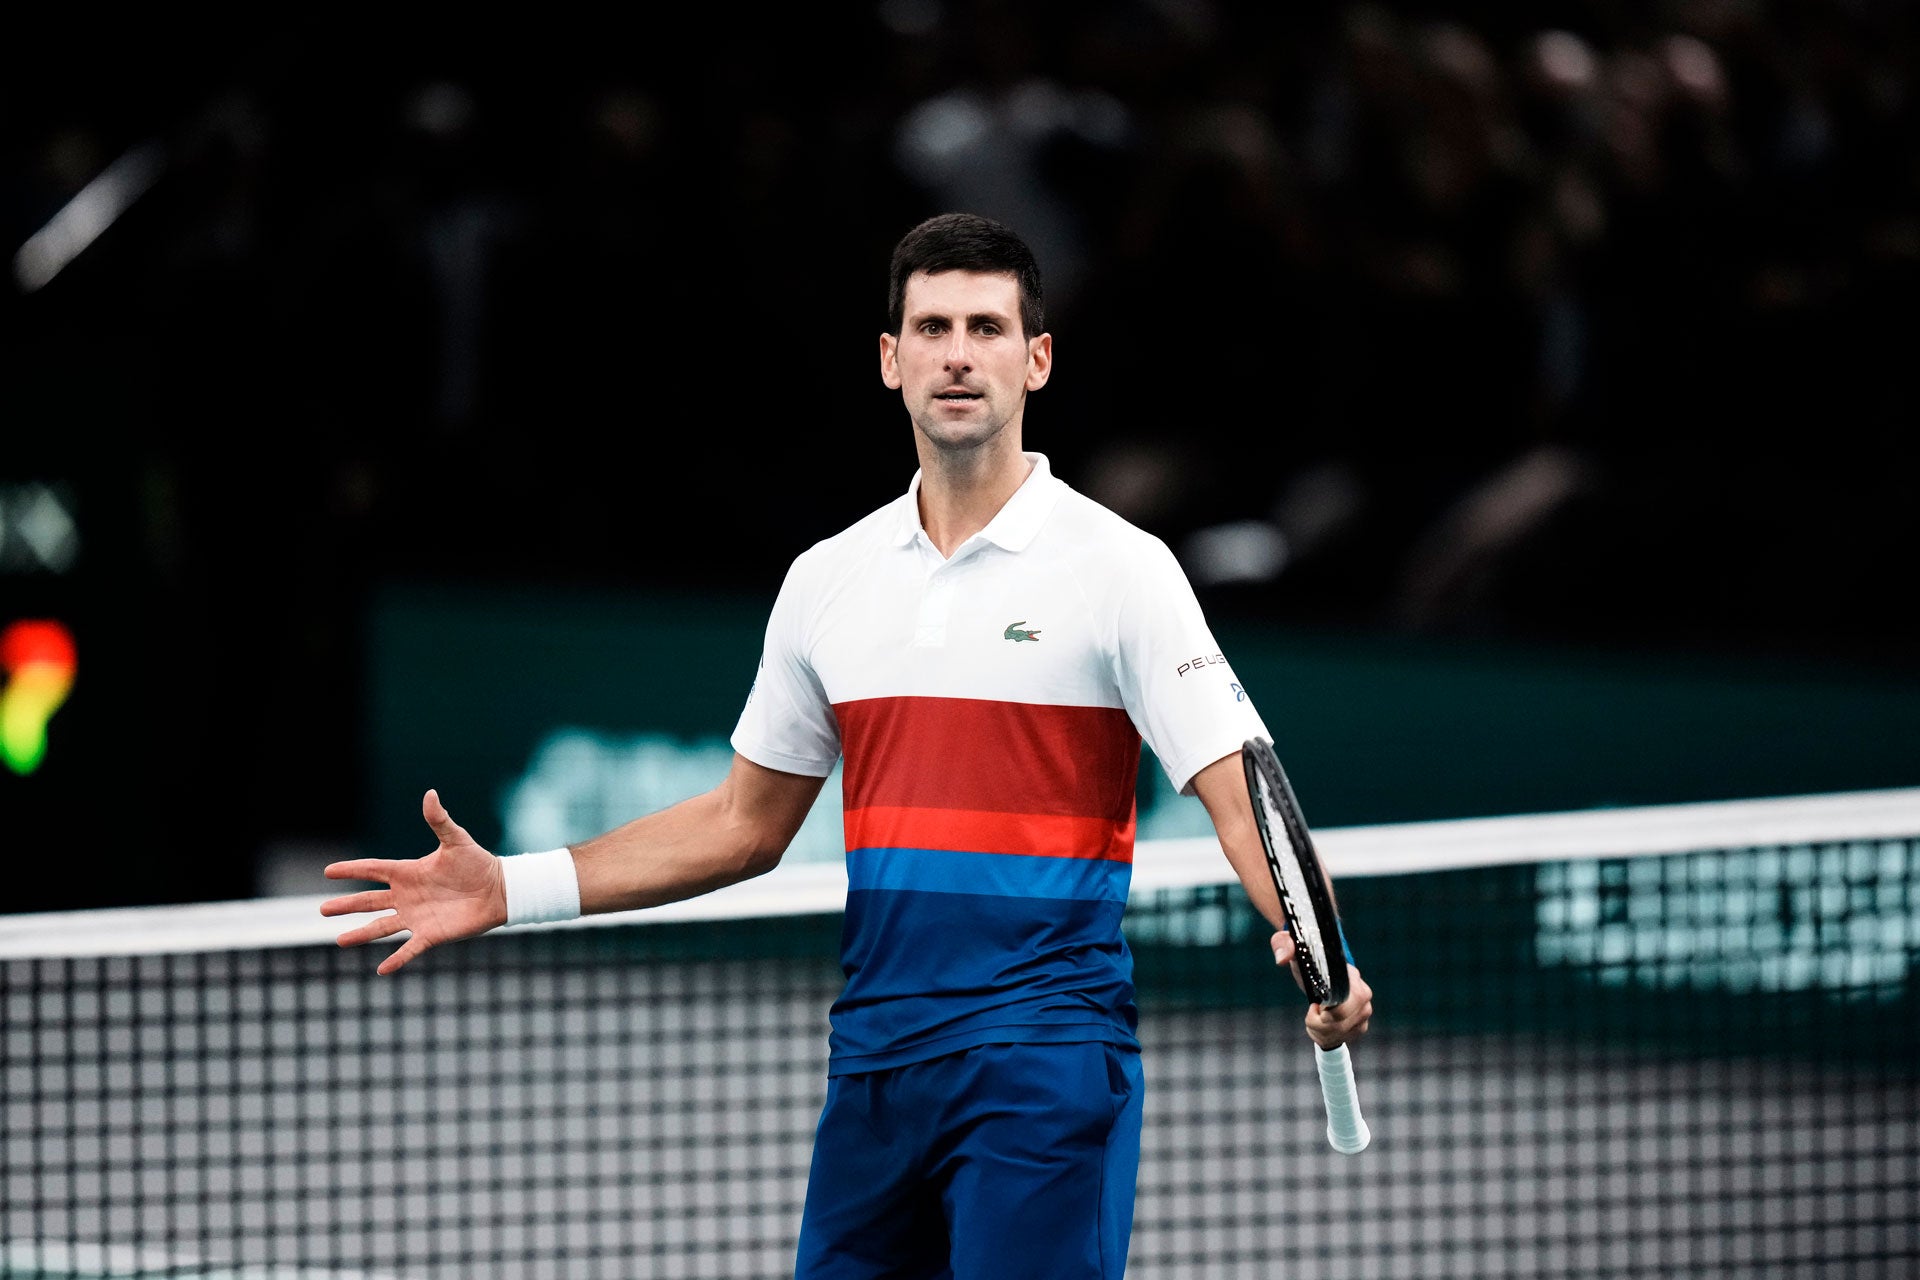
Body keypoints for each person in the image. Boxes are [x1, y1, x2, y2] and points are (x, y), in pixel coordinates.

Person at [320, 210, 1373, 1279]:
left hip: (1043, 1061)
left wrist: (1317, 934)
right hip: (873, 1071)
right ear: (891, 359)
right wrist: (512, 885)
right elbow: (742, 824)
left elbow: (1242, 790)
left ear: (1036, 358)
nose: (957, 352)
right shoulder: (828, 579)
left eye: (987, 327)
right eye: (931, 327)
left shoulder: (1122, 568)